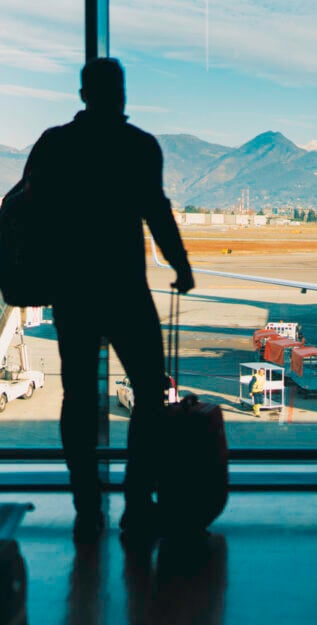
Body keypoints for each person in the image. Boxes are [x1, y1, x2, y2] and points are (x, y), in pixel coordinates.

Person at [22, 58, 194, 540]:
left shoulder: (54, 145)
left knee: (77, 398)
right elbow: (157, 211)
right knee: (150, 393)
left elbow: (25, 212)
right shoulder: (139, 146)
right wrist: (180, 266)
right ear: (122, 94)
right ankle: (138, 504)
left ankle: (86, 507)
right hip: (125, 289)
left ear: (82, 93)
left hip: (72, 291)